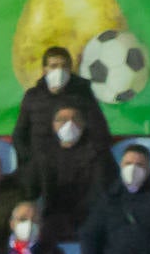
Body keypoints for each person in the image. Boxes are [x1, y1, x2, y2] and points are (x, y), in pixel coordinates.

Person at [11, 45, 109, 173]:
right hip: (40, 168)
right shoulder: (32, 96)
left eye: (64, 66)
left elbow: (100, 133)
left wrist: (83, 159)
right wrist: (31, 161)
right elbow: (19, 135)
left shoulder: (83, 95)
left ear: (70, 70)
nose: (59, 70)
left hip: (76, 168)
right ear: (45, 70)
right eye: (54, 66)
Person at [22, 106, 108, 244]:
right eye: (61, 120)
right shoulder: (43, 156)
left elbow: (100, 192)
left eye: (75, 119)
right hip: (52, 218)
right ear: (53, 125)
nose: (69, 124)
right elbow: (29, 191)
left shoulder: (98, 155)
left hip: (88, 218)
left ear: (84, 124)